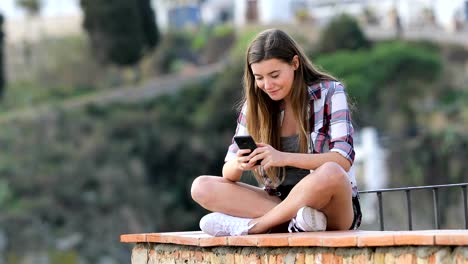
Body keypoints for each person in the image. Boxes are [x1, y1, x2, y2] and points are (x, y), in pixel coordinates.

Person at [191, 28, 361, 237]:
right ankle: (299, 222)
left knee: (331, 172)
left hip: (332, 206)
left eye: (274, 75)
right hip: (278, 201)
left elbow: (342, 160)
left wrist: (281, 157)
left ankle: (256, 226)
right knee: (201, 187)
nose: (267, 85)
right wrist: (241, 163)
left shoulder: (330, 92)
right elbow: (228, 172)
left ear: (295, 64)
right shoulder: (254, 107)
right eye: (259, 78)